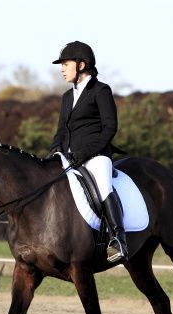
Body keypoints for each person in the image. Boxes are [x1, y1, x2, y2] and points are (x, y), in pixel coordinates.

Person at [48, 41, 128, 262]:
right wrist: (54, 152)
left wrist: (84, 154)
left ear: (81, 64)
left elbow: (110, 127)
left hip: (95, 157)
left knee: (103, 186)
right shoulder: (66, 97)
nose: (62, 69)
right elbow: (61, 130)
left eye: (66, 64)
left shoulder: (101, 91)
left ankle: (118, 239)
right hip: (68, 158)